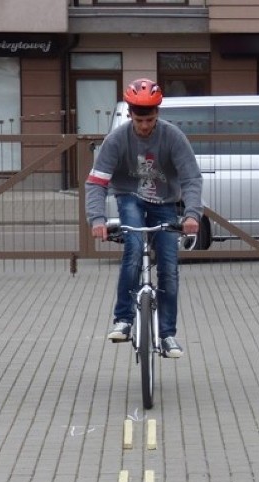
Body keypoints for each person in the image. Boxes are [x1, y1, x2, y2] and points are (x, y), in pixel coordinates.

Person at [86, 78, 202, 358]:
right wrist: (97, 219)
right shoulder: (116, 140)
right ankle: (123, 320)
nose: (145, 126)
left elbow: (190, 177)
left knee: (169, 270)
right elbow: (97, 182)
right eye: (140, 120)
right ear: (130, 115)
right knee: (134, 248)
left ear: (157, 115)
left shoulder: (173, 137)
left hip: (165, 202)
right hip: (130, 197)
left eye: (150, 119)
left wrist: (191, 214)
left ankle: (167, 335)